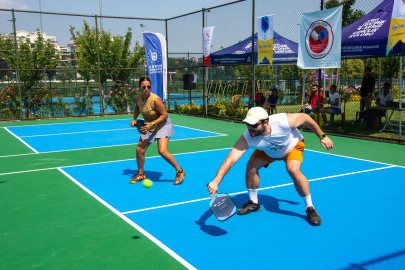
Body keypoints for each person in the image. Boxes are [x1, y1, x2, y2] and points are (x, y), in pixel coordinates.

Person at [207, 107, 333, 226]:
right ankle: (254, 202)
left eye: (254, 125)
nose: (250, 128)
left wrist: (322, 136)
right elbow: (230, 159)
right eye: (248, 124)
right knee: (251, 166)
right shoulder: (248, 137)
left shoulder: (283, 122)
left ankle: (310, 208)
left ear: (265, 122)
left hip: (291, 146)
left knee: (293, 170)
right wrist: (216, 182)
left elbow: (306, 117)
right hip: (268, 150)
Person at [129, 77, 186, 185]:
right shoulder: (138, 98)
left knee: (162, 151)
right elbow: (137, 108)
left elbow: (164, 115)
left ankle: (180, 171)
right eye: (144, 87)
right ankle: (141, 174)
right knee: (139, 150)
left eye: (148, 87)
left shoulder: (155, 99)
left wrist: (152, 124)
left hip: (162, 124)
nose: (146, 89)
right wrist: (134, 119)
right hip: (148, 125)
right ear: (140, 88)